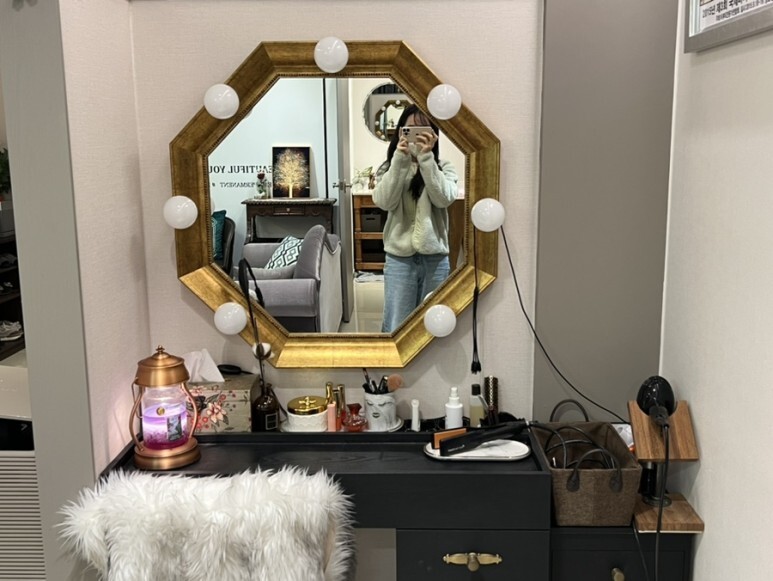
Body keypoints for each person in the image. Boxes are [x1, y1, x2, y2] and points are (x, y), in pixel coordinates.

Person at [372, 105, 458, 333]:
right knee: (397, 326)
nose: (416, 136)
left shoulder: (443, 168)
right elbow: (384, 202)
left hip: (435, 259)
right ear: (401, 132)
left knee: (434, 326)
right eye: (410, 129)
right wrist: (399, 161)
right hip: (399, 259)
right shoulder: (389, 168)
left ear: (434, 135)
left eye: (423, 130)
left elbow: (444, 199)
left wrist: (427, 159)